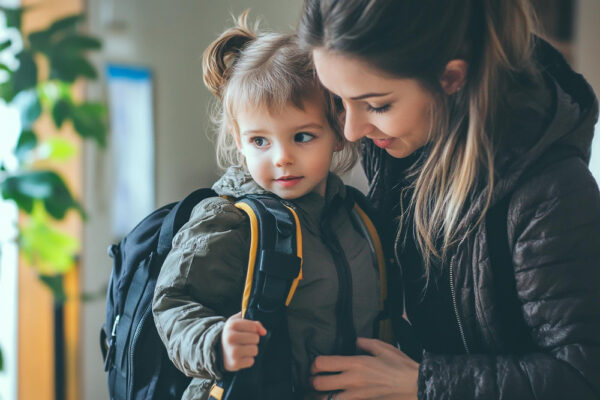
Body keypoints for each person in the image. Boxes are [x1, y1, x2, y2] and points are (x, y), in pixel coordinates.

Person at [297, 0, 600, 399]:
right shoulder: (400, 148)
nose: (352, 130)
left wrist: (424, 383)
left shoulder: (552, 191)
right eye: (339, 100)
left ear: (452, 78)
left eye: (377, 105)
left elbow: (581, 378)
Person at [152, 12, 384, 400]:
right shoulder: (229, 220)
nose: (282, 158)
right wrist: (215, 342)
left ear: (339, 131)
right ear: (238, 139)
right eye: (260, 141)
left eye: (303, 136)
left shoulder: (356, 216)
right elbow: (173, 304)